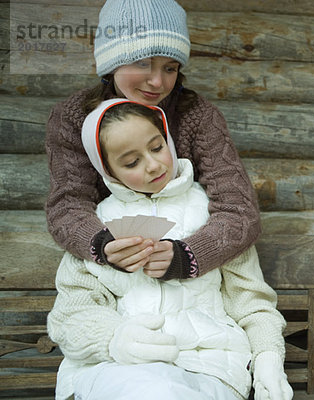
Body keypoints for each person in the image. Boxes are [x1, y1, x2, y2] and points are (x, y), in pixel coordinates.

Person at [48, 99, 293, 400]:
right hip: (117, 369)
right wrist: (113, 339)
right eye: (131, 162)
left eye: (156, 147)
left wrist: (268, 358)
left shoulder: (216, 218)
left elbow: (251, 301)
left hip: (210, 367)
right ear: (108, 170)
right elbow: (70, 314)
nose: (153, 165)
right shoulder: (98, 228)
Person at [45, 0, 260, 281]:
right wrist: (103, 245)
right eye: (142, 63)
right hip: (111, 279)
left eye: (169, 68)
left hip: (192, 278)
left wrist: (188, 256)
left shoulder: (197, 116)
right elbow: (67, 204)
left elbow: (239, 210)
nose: (157, 82)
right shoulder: (74, 118)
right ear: (112, 61)